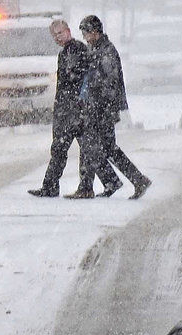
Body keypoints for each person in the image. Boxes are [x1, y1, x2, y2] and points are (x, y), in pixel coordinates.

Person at [72, 15, 152, 200]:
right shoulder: (96, 49)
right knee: (101, 147)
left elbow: (110, 82)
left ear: (95, 32)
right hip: (96, 107)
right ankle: (121, 181)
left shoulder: (106, 51)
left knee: (100, 147)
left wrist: (99, 101)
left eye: (86, 33)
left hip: (103, 109)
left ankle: (133, 180)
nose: (84, 37)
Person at [28, 18, 91, 198]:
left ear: (68, 31)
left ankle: (81, 187)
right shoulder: (65, 52)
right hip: (67, 108)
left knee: (74, 148)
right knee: (65, 148)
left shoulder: (76, 50)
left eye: (60, 33)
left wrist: (76, 102)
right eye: (54, 35)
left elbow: (76, 78)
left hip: (74, 108)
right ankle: (52, 186)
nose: (57, 37)